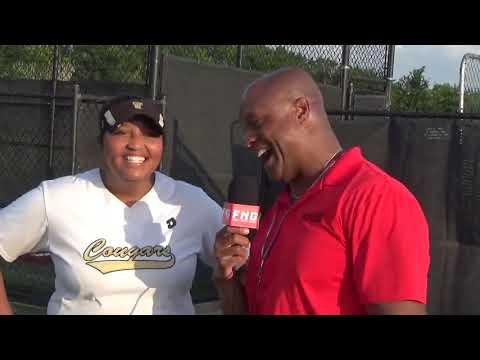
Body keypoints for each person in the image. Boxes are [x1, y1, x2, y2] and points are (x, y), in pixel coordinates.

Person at [214, 68, 430, 315]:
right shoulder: (279, 209)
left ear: (301, 111)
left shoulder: (376, 199)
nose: (248, 140)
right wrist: (226, 280)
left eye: (256, 123)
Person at [0, 96, 223, 315]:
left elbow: (240, 263)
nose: (136, 144)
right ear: (101, 141)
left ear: (162, 145)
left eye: (150, 134)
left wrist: (232, 261)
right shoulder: (56, 198)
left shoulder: (190, 203)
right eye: (121, 132)